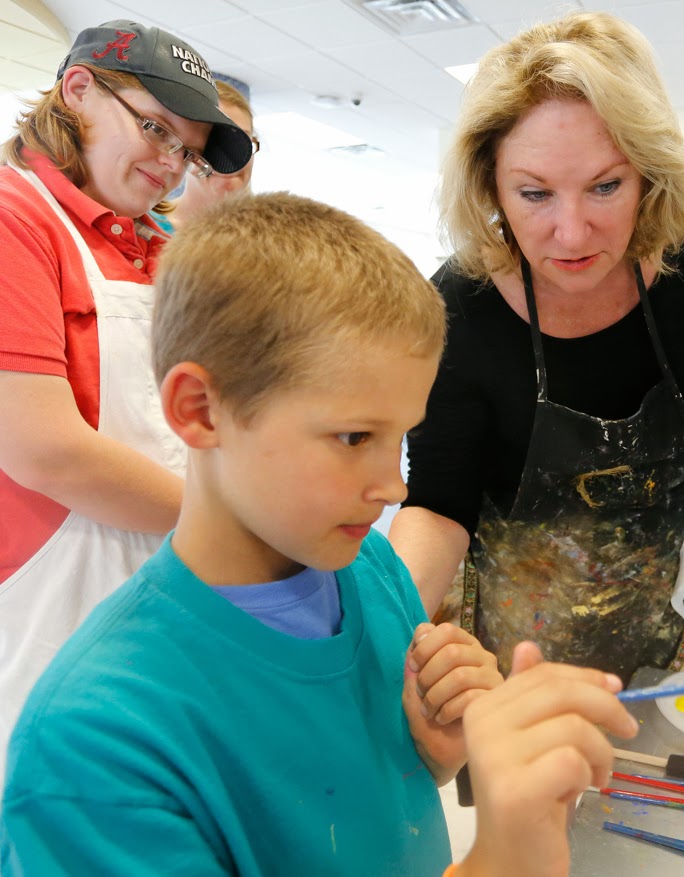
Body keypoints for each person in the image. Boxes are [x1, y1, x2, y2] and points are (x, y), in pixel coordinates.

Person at [0, 192, 639, 877]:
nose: (393, 487)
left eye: (400, 438)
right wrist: (506, 858)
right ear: (199, 410)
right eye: (354, 436)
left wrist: (430, 752)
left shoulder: (372, 572)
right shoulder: (101, 746)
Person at [389, 11, 684, 684]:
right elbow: (440, 502)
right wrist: (380, 632)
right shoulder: (458, 310)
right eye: (534, 193)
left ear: (649, 175)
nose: (570, 232)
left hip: (660, 602)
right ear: (490, 184)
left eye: (606, 186)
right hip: (516, 645)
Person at [0, 19, 252, 772]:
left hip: (156, 600)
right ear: (77, 90)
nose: (171, 164)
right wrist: (241, 528)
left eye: (187, 151)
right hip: (42, 613)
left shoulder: (161, 245)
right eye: (155, 128)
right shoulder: (17, 221)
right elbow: (45, 450)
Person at [151, 80, 259, 233]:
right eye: (214, 142)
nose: (229, 158)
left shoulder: (273, 238)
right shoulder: (144, 230)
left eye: (242, 143)